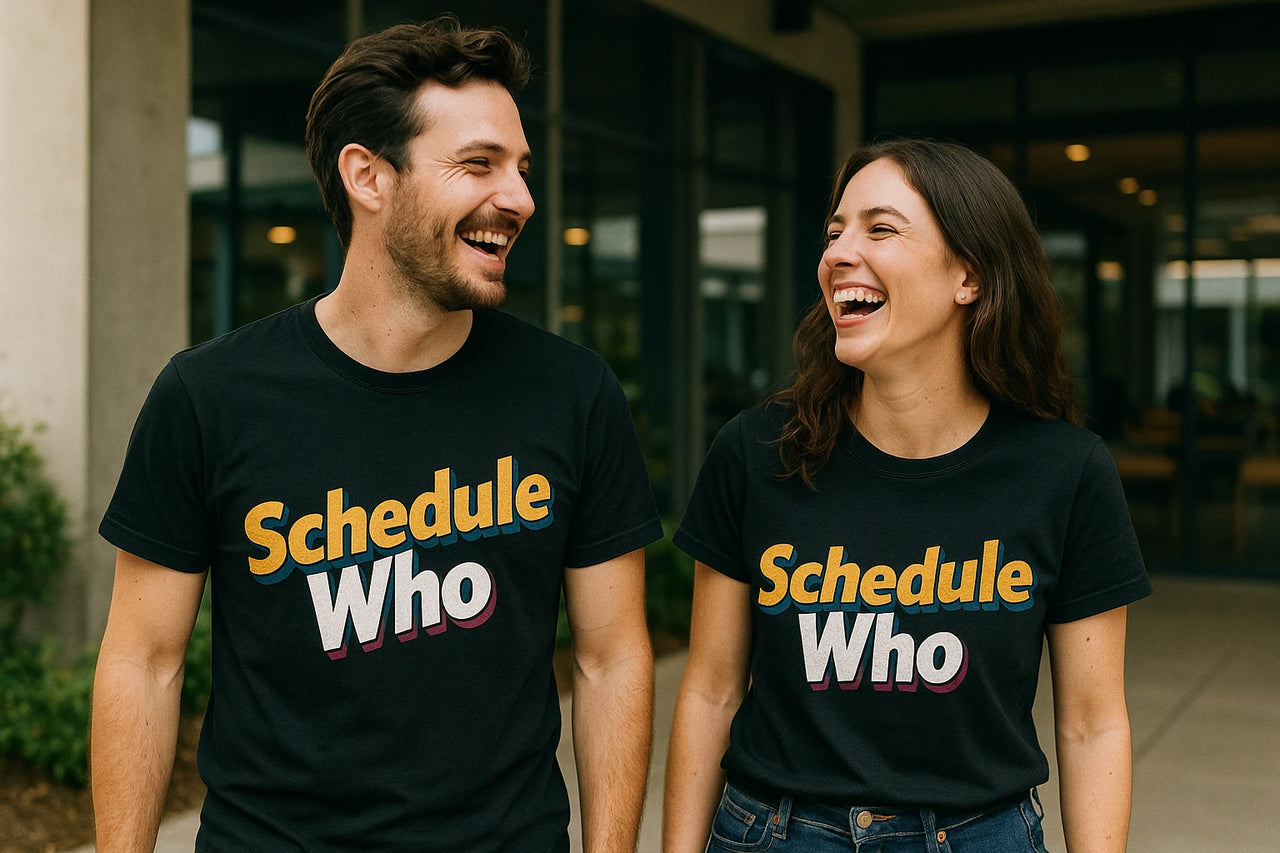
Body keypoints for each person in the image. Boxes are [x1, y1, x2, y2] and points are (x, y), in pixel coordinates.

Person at [90, 18, 661, 853]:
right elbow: (143, 660)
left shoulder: (573, 394)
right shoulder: (209, 396)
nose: (522, 198)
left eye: (522, 169)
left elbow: (613, 661)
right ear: (368, 175)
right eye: (479, 164)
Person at [664, 138, 1152, 852]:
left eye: (880, 228)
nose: (838, 252)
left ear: (970, 277)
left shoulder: (1066, 472)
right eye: (835, 231)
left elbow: (1092, 722)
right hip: (776, 832)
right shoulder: (756, 450)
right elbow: (710, 689)